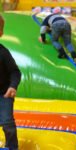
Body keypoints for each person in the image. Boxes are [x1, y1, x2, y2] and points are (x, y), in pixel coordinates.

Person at [0, 15, 21, 150]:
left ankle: (12, 146)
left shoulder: (3, 53)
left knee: (7, 122)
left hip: (4, 94)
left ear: (0, 33)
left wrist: (13, 86)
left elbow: (15, 72)